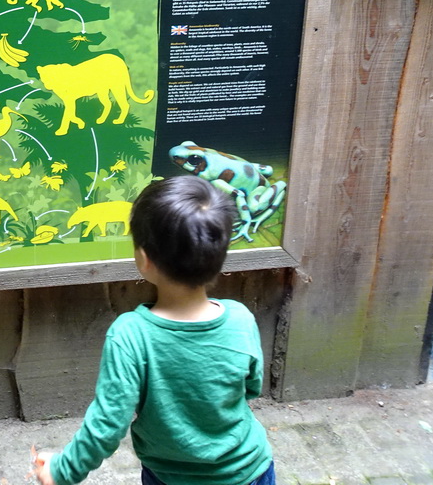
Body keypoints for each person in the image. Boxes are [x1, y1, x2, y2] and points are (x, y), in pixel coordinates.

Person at [35, 176, 274, 485]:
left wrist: (62, 470)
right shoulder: (241, 320)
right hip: (251, 471)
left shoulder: (130, 336)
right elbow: (251, 387)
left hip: (170, 478)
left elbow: (108, 423)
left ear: (144, 260)